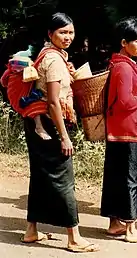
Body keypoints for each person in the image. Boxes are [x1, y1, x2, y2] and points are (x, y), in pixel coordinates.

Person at [21, 12, 99, 253]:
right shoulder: (54, 60)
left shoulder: (52, 56)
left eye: (71, 32)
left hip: (38, 123)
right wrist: (64, 136)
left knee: (42, 176)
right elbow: (54, 102)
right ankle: (74, 237)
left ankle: (31, 231)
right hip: (50, 124)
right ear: (50, 34)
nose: (68, 37)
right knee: (64, 179)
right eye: (62, 32)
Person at [100, 16, 137, 243]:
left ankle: (114, 224)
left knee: (115, 177)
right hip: (128, 129)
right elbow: (125, 102)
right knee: (132, 178)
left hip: (118, 130)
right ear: (124, 42)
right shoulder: (123, 67)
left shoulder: (119, 65)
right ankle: (130, 229)